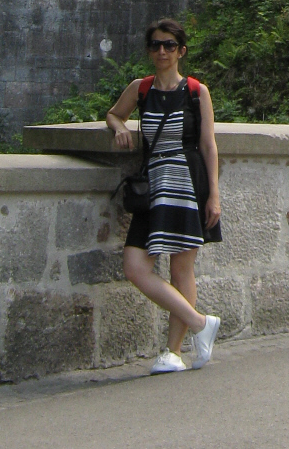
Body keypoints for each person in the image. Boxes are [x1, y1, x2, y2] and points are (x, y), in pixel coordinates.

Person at [107, 19, 222, 374]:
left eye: (169, 45)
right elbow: (113, 114)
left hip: (187, 180)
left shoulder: (196, 91)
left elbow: (208, 145)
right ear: (149, 50)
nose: (162, 51)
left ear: (181, 51)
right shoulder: (140, 89)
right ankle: (201, 323)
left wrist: (214, 195)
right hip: (153, 183)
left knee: (181, 268)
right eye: (156, 45)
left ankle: (172, 352)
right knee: (135, 266)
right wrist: (119, 126)